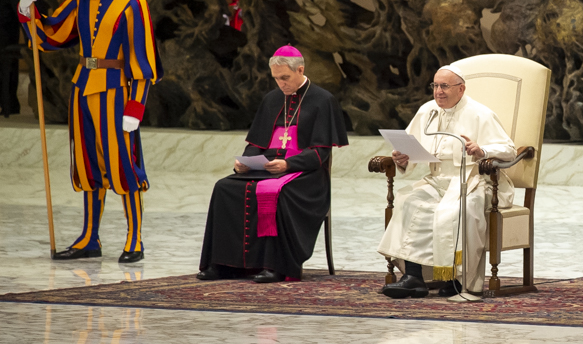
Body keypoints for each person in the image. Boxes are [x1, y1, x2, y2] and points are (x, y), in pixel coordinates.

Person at [18, 0, 161, 263]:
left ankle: (134, 239)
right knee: (87, 166)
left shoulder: (133, 6)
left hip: (116, 92)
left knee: (123, 166)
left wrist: (136, 107)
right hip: (82, 90)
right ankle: (89, 238)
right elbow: (50, 36)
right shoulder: (80, 2)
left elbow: (143, 62)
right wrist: (27, 11)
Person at [197, 45, 349, 283]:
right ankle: (224, 264)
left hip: (305, 174)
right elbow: (256, 143)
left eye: (285, 78)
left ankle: (276, 265)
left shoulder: (323, 100)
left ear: (300, 70)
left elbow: (320, 153)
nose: (281, 84)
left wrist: (288, 165)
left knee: (279, 193)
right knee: (224, 187)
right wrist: (244, 162)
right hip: (266, 168)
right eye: (276, 78)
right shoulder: (272, 99)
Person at [376, 64, 517, 298]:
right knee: (409, 201)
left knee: (458, 211)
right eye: (435, 86)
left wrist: (481, 149)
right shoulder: (427, 111)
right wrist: (401, 158)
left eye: (445, 86)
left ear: (461, 89)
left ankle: (457, 280)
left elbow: (510, 151)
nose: (438, 91)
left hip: (471, 181)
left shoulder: (481, 114)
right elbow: (412, 149)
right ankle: (414, 277)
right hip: (436, 179)